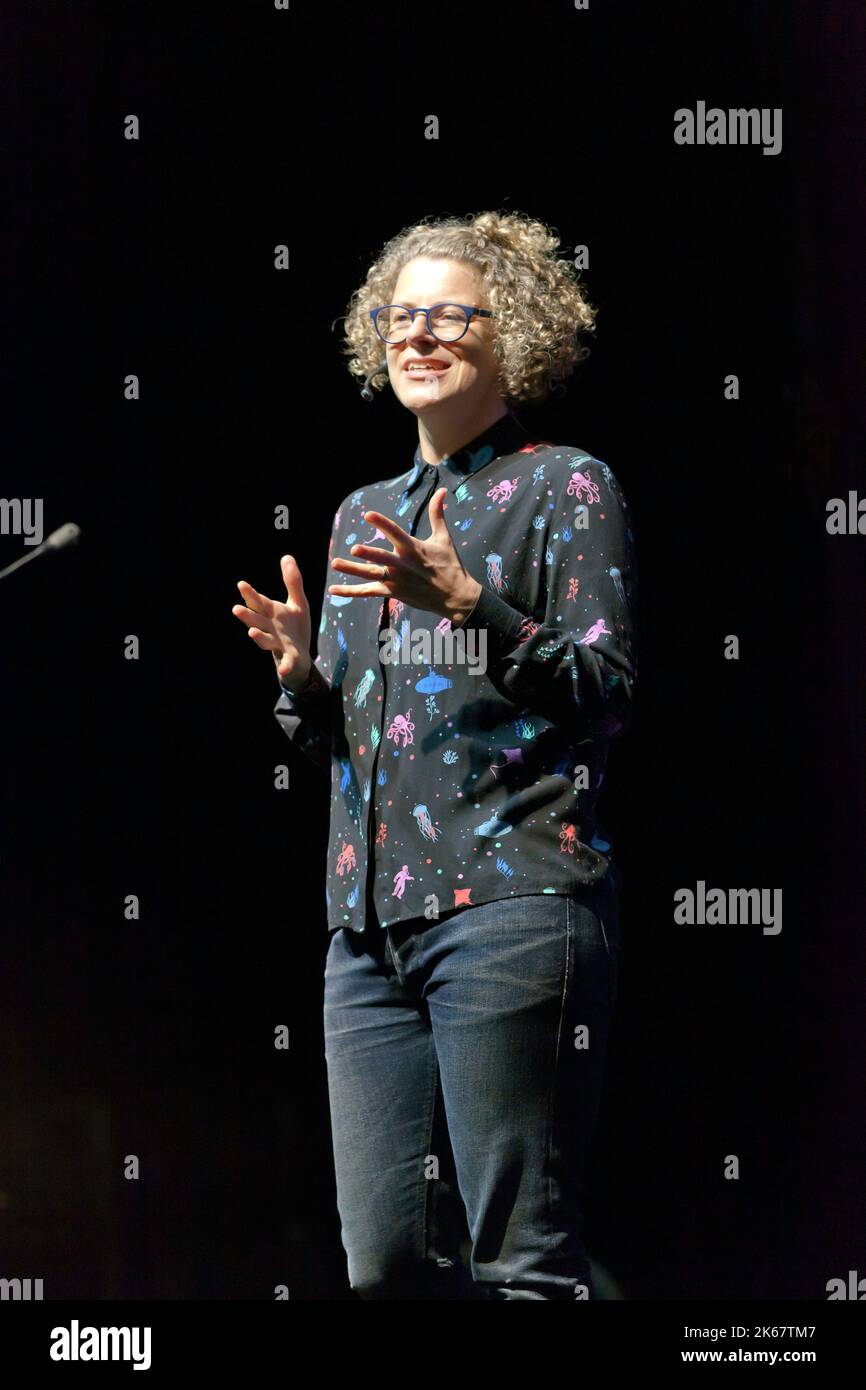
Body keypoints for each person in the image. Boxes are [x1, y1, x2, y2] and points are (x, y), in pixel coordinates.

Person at [232, 211, 638, 1299]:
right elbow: (349, 737)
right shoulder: (362, 513)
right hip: (365, 935)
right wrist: (299, 682)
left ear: (510, 333)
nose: (418, 336)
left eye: (448, 315)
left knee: (521, 1258)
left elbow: (604, 689)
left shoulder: (563, 485)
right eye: (399, 318)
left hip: (510, 900)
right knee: (387, 1265)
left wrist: (472, 605)